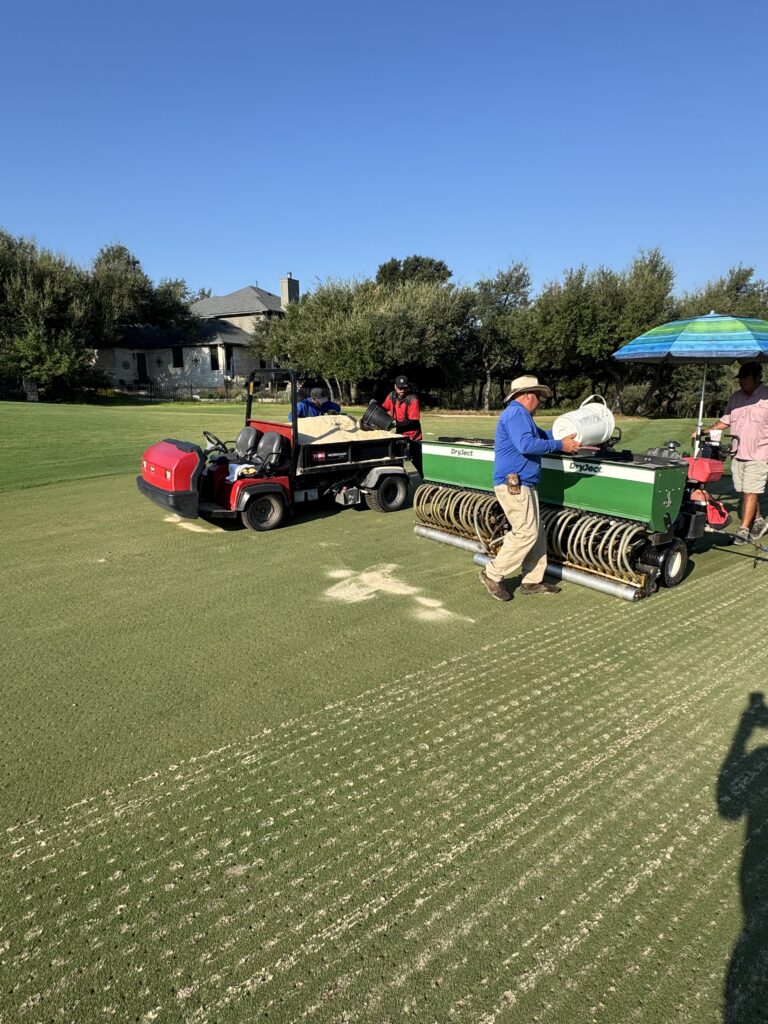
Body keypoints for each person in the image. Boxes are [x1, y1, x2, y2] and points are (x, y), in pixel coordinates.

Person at [479, 375, 581, 602]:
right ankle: (492, 573)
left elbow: (540, 436)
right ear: (527, 395)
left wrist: (561, 437)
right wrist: (561, 445)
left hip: (523, 482)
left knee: (537, 531)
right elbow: (526, 445)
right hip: (514, 483)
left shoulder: (522, 415)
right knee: (526, 531)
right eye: (538, 396)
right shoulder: (516, 413)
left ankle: (532, 580)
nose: (540, 400)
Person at [702, 361, 768, 544]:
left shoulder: (767, 397)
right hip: (737, 453)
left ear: (756, 378)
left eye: (745, 378)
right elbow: (725, 421)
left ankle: (743, 529)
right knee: (744, 490)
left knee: (750, 491)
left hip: (760, 453)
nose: (741, 382)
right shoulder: (735, 398)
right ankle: (759, 521)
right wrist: (704, 431)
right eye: (740, 378)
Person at [382, 374, 423, 476]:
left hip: (413, 436)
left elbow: (413, 421)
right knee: (397, 461)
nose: (402, 390)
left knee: (418, 463)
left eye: (405, 388)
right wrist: (375, 405)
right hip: (399, 435)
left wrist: (395, 425)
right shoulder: (391, 396)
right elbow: (383, 409)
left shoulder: (413, 399)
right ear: (395, 387)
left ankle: (426, 484)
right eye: (400, 388)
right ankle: (400, 481)